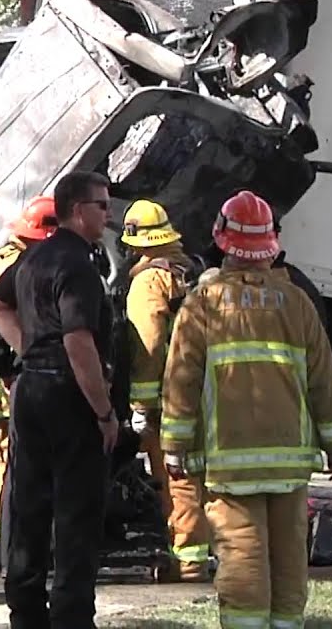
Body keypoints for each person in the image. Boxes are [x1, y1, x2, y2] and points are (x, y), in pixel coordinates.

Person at [159, 190, 332, 629]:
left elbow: (181, 379)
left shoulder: (203, 305)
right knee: (287, 562)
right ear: (269, 244)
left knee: (243, 556)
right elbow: (323, 380)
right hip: (289, 462)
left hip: (230, 464)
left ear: (222, 242)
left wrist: (173, 446)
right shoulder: (297, 303)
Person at [0, 170, 118, 629]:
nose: (108, 214)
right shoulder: (78, 264)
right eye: (102, 205)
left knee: (29, 504)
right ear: (78, 211)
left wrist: (29, 348)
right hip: (68, 392)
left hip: (30, 390)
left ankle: (25, 612)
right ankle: (71, 616)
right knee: (77, 512)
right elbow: (79, 341)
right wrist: (103, 412)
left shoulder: (34, 258)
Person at [119, 199, 210, 582]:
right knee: (207, 477)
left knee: (179, 479)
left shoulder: (148, 283)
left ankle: (188, 563)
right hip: (207, 391)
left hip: (168, 400)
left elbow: (149, 343)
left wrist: (141, 404)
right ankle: (211, 552)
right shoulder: (194, 268)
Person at [0, 195, 59, 566]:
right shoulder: (15, 266)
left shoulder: (4, 260)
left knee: (16, 465)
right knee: (12, 466)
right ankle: (7, 544)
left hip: (7, 375)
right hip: (6, 381)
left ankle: (14, 543)